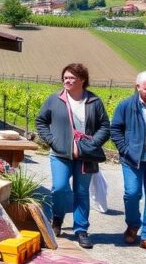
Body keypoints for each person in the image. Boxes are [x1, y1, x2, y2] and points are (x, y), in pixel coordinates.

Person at [35, 63, 110, 250]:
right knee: (59, 188)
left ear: (82, 80)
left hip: (86, 155)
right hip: (60, 153)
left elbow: (104, 127)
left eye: (71, 78)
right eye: (65, 77)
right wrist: (53, 141)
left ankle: (81, 230)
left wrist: (91, 144)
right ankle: (58, 218)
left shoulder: (94, 101)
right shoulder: (55, 99)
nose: (67, 81)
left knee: (81, 192)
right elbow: (41, 121)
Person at [109, 71, 146, 253]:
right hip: (132, 160)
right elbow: (115, 129)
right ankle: (133, 225)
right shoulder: (127, 106)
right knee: (132, 194)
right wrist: (125, 150)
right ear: (138, 87)